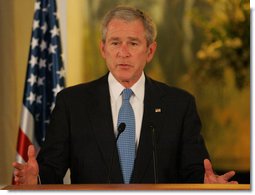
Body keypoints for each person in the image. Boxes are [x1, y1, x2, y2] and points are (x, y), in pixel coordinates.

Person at [12, 5, 238, 185]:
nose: (123, 52)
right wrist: (36, 179)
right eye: (115, 42)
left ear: (150, 51)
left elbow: (194, 171)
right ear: (103, 49)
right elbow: (51, 169)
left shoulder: (179, 105)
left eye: (133, 43)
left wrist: (206, 183)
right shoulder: (72, 103)